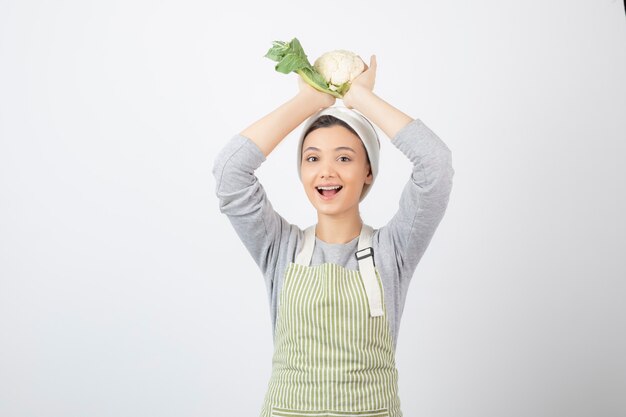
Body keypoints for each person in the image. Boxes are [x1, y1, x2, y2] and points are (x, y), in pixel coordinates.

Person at [212, 55, 454, 417]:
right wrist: (309, 102)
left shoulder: (394, 250)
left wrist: (360, 98)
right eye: (312, 158)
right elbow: (230, 172)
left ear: (368, 171)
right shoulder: (280, 248)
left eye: (344, 158)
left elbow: (435, 163)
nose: (326, 172)